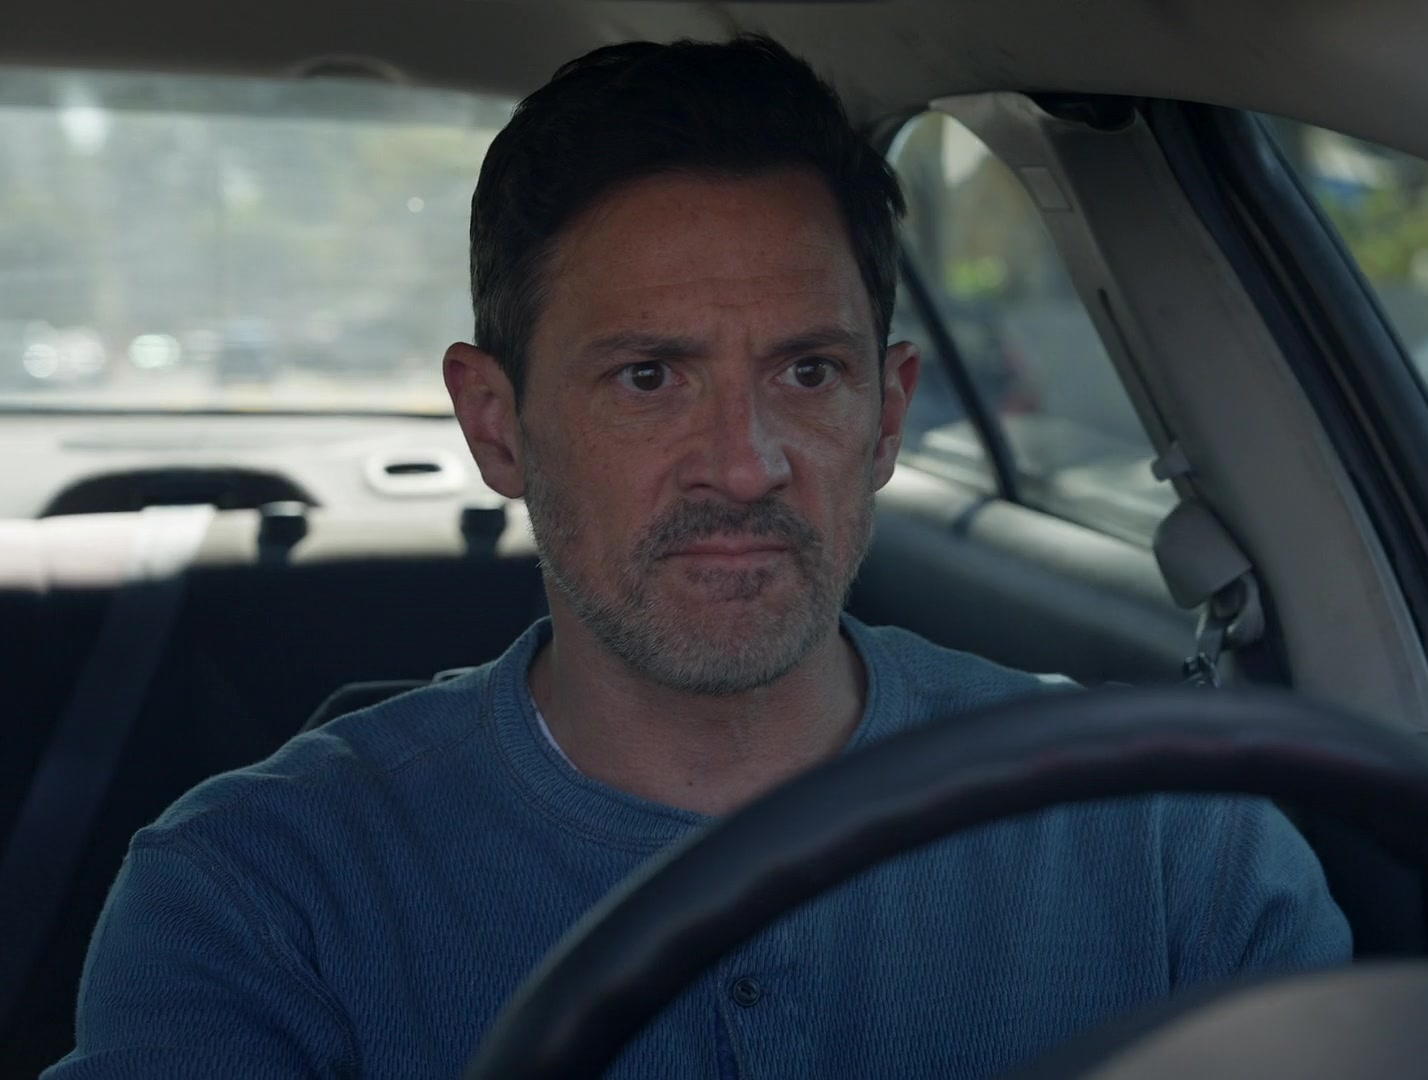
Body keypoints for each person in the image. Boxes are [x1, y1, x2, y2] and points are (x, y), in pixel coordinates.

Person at [50, 36, 1350, 1078]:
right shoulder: (260, 900)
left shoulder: (1171, 842)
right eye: (650, 376)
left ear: (887, 416)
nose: (744, 463)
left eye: (807, 372)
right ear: (497, 426)